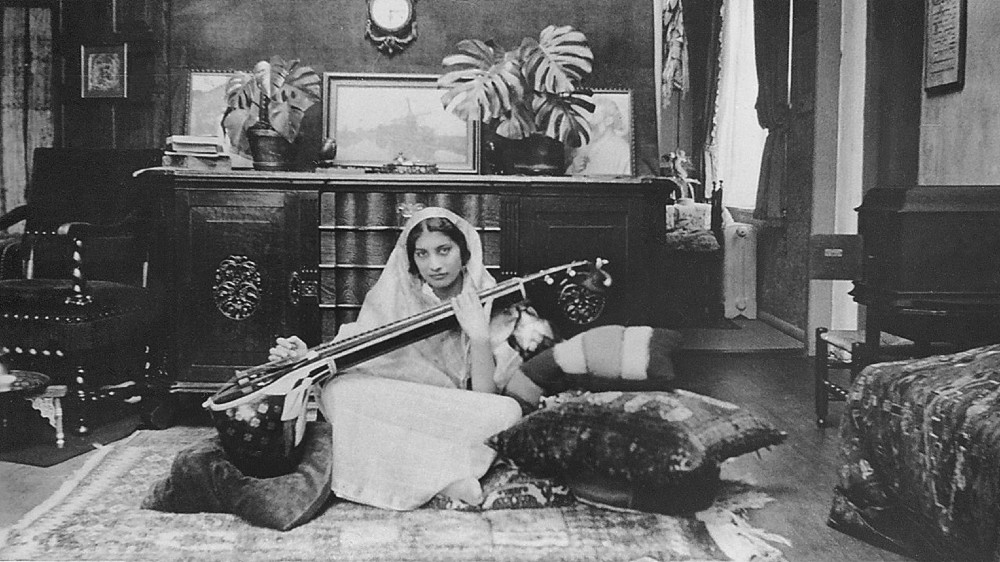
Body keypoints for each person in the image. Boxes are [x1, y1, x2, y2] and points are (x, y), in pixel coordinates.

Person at [269, 206, 544, 510]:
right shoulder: (397, 293)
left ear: (465, 251)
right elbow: (353, 349)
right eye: (422, 254)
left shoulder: (492, 299)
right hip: (404, 407)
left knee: (506, 412)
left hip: (456, 414)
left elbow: (485, 399)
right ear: (411, 258)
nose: (434, 265)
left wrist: (478, 335)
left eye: (444, 250)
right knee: (339, 391)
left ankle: (414, 475)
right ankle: (444, 480)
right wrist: (307, 356)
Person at [566, 96, 632, 176]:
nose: (589, 122)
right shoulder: (588, 146)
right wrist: (573, 169)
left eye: (594, 116)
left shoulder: (623, 151)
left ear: (609, 120)